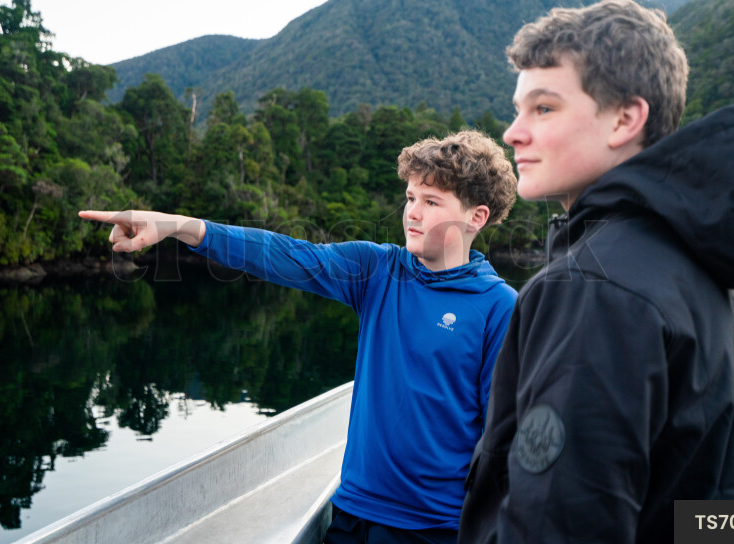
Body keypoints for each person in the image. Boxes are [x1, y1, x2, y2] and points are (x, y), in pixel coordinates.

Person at [459, 0, 734, 543]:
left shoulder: (593, 288)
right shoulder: (701, 267)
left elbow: (558, 527)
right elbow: (713, 516)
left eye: (543, 108)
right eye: (517, 109)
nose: (513, 133)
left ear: (625, 118)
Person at [80, 129, 519, 543]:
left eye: (432, 201)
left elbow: (500, 440)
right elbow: (284, 255)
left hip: (432, 528)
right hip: (352, 514)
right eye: (409, 197)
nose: (413, 212)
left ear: (476, 217)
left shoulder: (499, 307)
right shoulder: (376, 271)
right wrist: (177, 225)